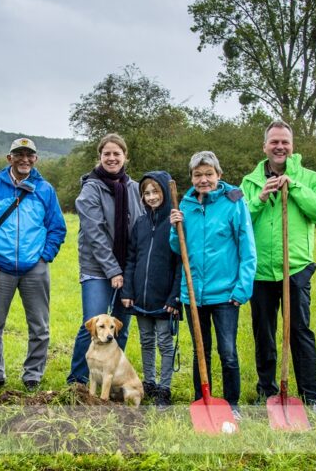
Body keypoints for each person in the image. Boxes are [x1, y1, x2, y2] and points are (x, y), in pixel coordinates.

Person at [240, 121, 316, 410]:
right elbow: (239, 221)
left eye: (285, 142)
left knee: (299, 332)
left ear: (292, 146)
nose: (279, 147)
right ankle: (266, 391)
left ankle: (310, 396)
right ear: (264, 146)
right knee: (264, 334)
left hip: (294, 269)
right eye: (274, 142)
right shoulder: (249, 182)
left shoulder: (312, 178)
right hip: (260, 271)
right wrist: (260, 198)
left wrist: (293, 188)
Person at [0, 138, 66, 391]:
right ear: (9, 158)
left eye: (29, 155)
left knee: (40, 327)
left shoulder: (45, 190)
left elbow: (57, 227)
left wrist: (45, 256)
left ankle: (33, 375)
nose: (24, 159)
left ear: (36, 159)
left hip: (35, 268)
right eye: (19, 154)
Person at [169, 151, 256, 419]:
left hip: (226, 294)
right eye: (198, 175)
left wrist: (242, 289)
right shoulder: (185, 205)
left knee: (227, 351)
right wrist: (175, 228)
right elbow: (177, 248)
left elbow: (248, 248)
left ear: (219, 175)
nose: (203, 179)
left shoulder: (234, 203)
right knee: (200, 352)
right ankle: (202, 400)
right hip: (194, 294)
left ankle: (232, 404)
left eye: (209, 174)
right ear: (192, 177)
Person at [67, 133, 144, 385]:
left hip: (127, 267)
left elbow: (142, 225)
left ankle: (110, 380)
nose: (112, 158)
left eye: (116, 153)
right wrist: (112, 270)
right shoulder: (91, 188)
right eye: (107, 154)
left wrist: (132, 269)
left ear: (125, 157)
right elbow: (94, 233)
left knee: (118, 327)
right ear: (99, 157)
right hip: (97, 269)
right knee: (93, 324)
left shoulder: (134, 189)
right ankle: (78, 380)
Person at [120, 171, 182, 407]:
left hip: (165, 298)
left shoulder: (174, 223)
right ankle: (150, 382)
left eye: (155, 191)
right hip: (141, 298)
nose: (151, 196)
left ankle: (164, 388)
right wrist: (128, 291)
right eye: (146, 193)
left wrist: (175, 296)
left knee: (165, 343)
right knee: (146, 341)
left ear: (165, 192)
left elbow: (180, 264)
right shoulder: (140, 223)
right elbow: (132, 259)